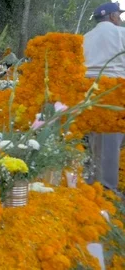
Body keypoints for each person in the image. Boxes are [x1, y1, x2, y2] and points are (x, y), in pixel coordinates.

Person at [83, 2, 125, 197]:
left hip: (90, 90)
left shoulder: (86, 38)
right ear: (112, 16)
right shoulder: (121, 34)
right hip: (115, 90)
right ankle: (107, 190)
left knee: (95, 138)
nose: (120, 18)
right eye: (119, 15)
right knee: (111, 139)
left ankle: (92, 182)